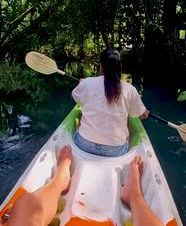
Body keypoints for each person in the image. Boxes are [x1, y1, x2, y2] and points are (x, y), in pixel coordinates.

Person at [7, 146, 163, 226]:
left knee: (25, 205)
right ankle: (134, 193)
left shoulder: (84, 87)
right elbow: (139, 113)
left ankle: (61, 180)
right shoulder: (129, 91)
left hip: (83, 142)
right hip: (119, 148)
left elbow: (76, 98)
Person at [72, 48, 149, 157]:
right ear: (120, 67)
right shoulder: (129, 89)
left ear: (101, 67)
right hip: (115, 151)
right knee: (127, 115)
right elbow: (142, 115)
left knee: (82, 116)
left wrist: (81, 84)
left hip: (84, 145)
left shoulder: (87, 83)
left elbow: (75, 96)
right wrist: (144, 111)